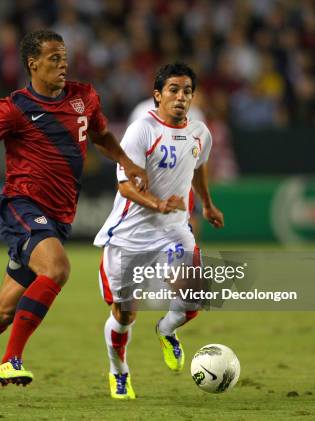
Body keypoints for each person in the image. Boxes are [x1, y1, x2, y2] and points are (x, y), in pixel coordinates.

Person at [0, 29, 148, 393]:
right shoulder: (12, 108)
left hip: (59, 216)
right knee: (58, 268)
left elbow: (101, 138)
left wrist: (127, 162)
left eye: (64, 57)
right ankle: (10, 361)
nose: (62, 64)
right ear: (33, 64)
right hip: (22, 205)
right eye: (53, 58)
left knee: (4, 312)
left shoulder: (84, 97)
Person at [93, 62, 224, 399]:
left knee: (193, 301)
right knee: (124, 315)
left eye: (187, 91)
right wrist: (156, 203)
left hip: (174, 231)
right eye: (174, 90)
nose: (181, 97)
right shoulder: (141, 130)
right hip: (130, 236)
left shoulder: (200, 132)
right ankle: (118, 371)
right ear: (158, 95)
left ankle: (166, 331)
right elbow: (125, 186)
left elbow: (198, 166)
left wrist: (206, 204)